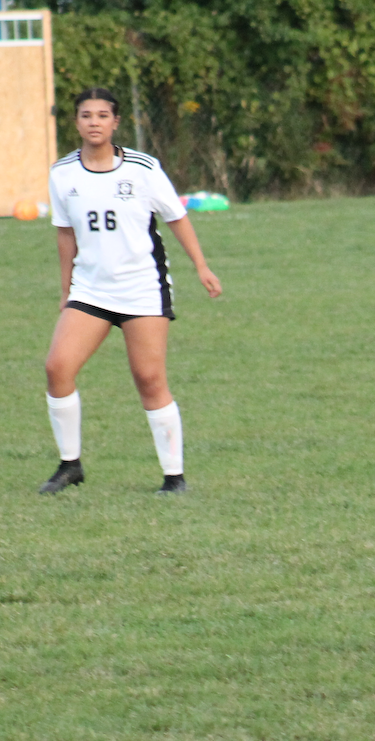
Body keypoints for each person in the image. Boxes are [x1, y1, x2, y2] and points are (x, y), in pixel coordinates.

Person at [38, 86, 222, 496]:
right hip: (91, 290)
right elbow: (65, 233)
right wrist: (66, 288)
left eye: (103, 115)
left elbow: (176, 217)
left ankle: (174, 478)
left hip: (142, 288)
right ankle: (70, 466)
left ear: (116, 122)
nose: (94, 122)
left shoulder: (143, 168)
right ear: (76, 122)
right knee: (57, 367)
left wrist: (201, 266)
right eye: (86, 115)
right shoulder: (62, 173)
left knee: (149, 378)